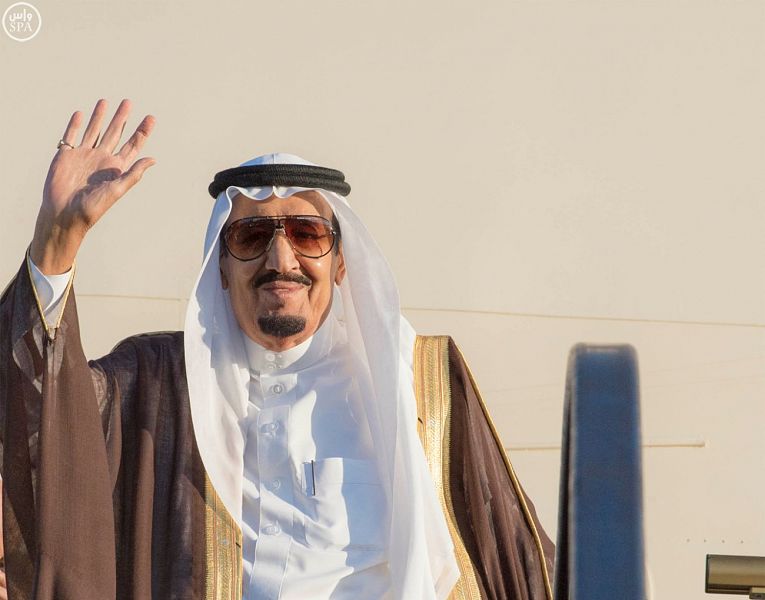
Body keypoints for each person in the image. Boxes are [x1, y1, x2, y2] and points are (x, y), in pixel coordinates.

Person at [0, 99, 554, 599]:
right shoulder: (156, 384)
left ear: (341, 262)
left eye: (307, 234)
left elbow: (521, 560)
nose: (281, 260)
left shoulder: (421, 383)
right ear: (220, 268)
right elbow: (44, 416)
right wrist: (57, 242)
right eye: (251, 237)